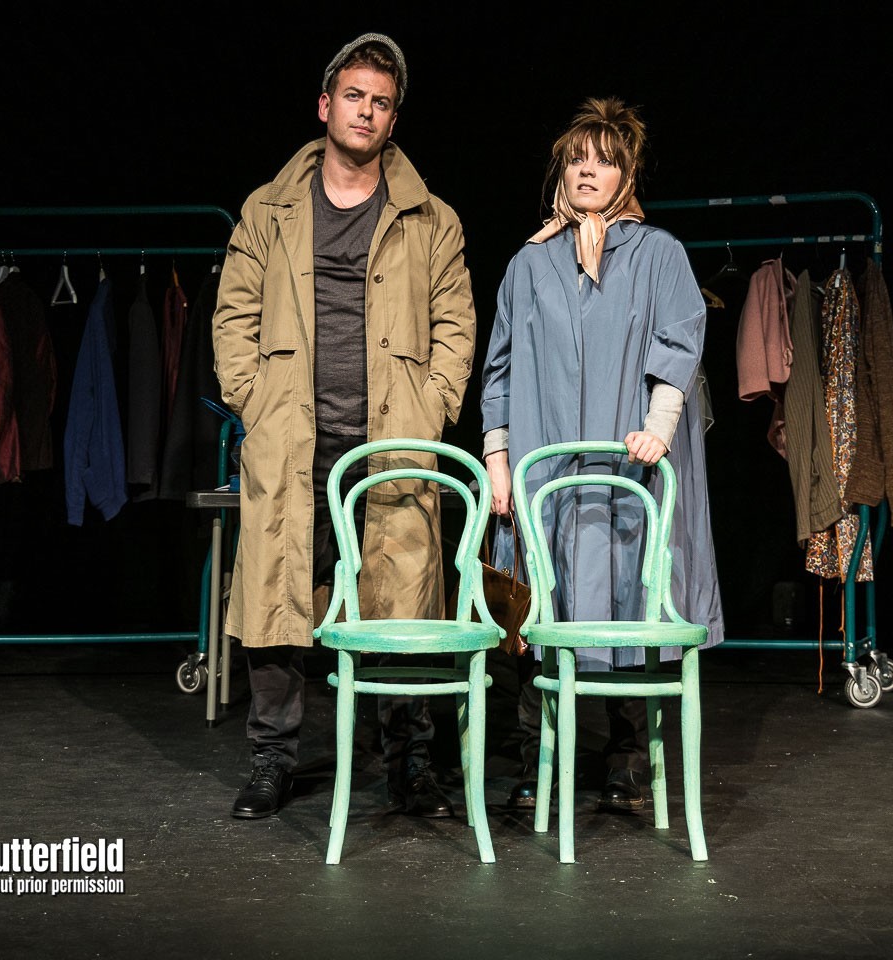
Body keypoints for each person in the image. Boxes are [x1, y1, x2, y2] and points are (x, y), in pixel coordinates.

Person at [211, 33, 478, 820]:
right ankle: (272, 759)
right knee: (278, 600)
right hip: (293, 435)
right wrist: (253, 398)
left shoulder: (432, 218)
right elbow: (234, 315)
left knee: (402, 603)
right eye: (354, 96)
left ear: (394, 120)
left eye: (382, 102)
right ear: (325, 106)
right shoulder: (269, 208)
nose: (366, 111)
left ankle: (410, 763)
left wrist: (430, 406)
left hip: (393, 440)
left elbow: (456, 325)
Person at [480, 97, 724, 813]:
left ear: (627, 173)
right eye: (577, 159)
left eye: (605, 161)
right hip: (544, 467)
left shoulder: (659, 254)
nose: (589, 172)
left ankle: (626, 761)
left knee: (628, 604)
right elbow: (498, 368)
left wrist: (658, 424)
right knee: (537, 608)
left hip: (628, 472)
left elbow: (680, 342)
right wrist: (497, 459)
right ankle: (534, 760)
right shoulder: (529, 263)